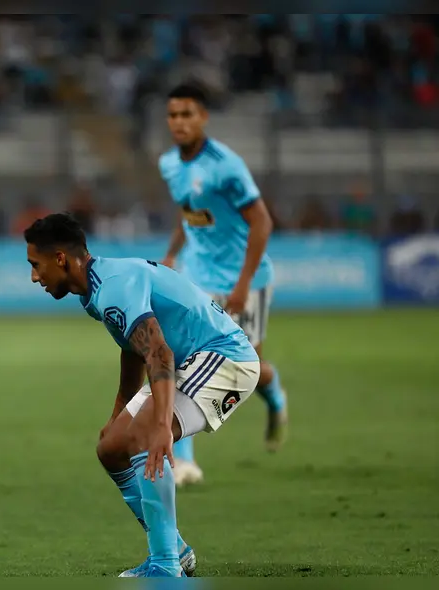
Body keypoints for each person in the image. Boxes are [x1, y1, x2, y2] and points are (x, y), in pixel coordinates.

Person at [24, 212, 260, 578]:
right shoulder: (97, 288)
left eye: (36, 265)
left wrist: (162, 426)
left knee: (143, 437)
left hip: (225, 359)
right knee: (112, 447)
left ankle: (166, 564)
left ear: (60, 259)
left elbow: (159, 353)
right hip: (188, 361)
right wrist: (117, 415)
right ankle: (174, 549)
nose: (34, 276)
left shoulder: (113, 287)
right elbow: (134, 346)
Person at [158, 83, 288, 487]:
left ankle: (276, 395)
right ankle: (185, 460)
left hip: (242, 280)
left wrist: (244, 283)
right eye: (173, 115)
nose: (179, 122)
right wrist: (171, 256)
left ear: (203, 118)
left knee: (251, 369)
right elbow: (189, 213)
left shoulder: (225, 166)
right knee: (181, 360)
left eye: (187, 114)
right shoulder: (169, 164)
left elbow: (262, 221)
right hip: (198, 278)